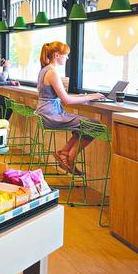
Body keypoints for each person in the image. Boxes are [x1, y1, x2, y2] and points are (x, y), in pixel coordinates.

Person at [36, 41, 104, 174]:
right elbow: (66, 100)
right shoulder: (52, 72)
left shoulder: (44, 70)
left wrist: (89, 96)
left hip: (46, 112)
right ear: (56, 55)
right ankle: (69, 159)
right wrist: (91, 97)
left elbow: (63, 97)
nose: (67, 58)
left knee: (84, 124)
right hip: (51, 115)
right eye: (65, 55)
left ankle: (64, 153)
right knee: (95, 126)